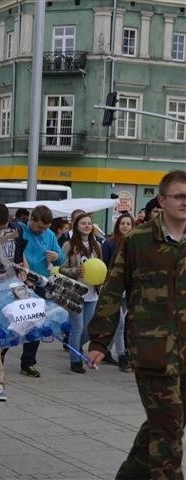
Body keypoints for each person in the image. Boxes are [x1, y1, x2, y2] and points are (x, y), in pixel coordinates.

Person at [87, 170, 186, 480]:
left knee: (166, 424)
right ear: (162, 200)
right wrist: (100, 342)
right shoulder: (138, 241)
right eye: (179, 196)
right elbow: (113, 290)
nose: (185, 202)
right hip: (153, 352)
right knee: (169, 430)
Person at [17, 205, 66, 377]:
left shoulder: (51, 235)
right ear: (31, 220)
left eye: (45, 228)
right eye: (39, 227)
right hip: (20, 282)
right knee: (15, 320)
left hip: (40, 283)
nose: (41, 230)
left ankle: (28, 362)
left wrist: (57, 257)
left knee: (36, 322)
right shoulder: (20, 230)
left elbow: (62, 259)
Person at [0, 203, 28, 402]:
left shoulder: (16, 229)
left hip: (12, 287)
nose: (2, 231)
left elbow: (20, 257)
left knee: (10, 333)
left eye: (5, 226)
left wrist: (23, 272)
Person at [60, 212, 102, 374]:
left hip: (92, 293)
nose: (86, 226)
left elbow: (101, 267)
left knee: (88, 328)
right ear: (76, 226)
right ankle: (75, 360)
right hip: (75, 292)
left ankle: (72, 345)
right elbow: (61, 268)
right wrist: (75, 270)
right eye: (83, 223)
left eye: (89, 223)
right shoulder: (69, 245)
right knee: (77, 327)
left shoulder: (97, 245)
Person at [101, 213, 135, 372]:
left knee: (118, 321)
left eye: (128, 224)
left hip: (128, 289)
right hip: (113, 289)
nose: (125, 226)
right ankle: (122, 357)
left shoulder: (135, 243)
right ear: (117, 225)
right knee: (120, 323)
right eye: (123, 223)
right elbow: (104, 266)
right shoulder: (109, 243)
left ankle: (106, 350)